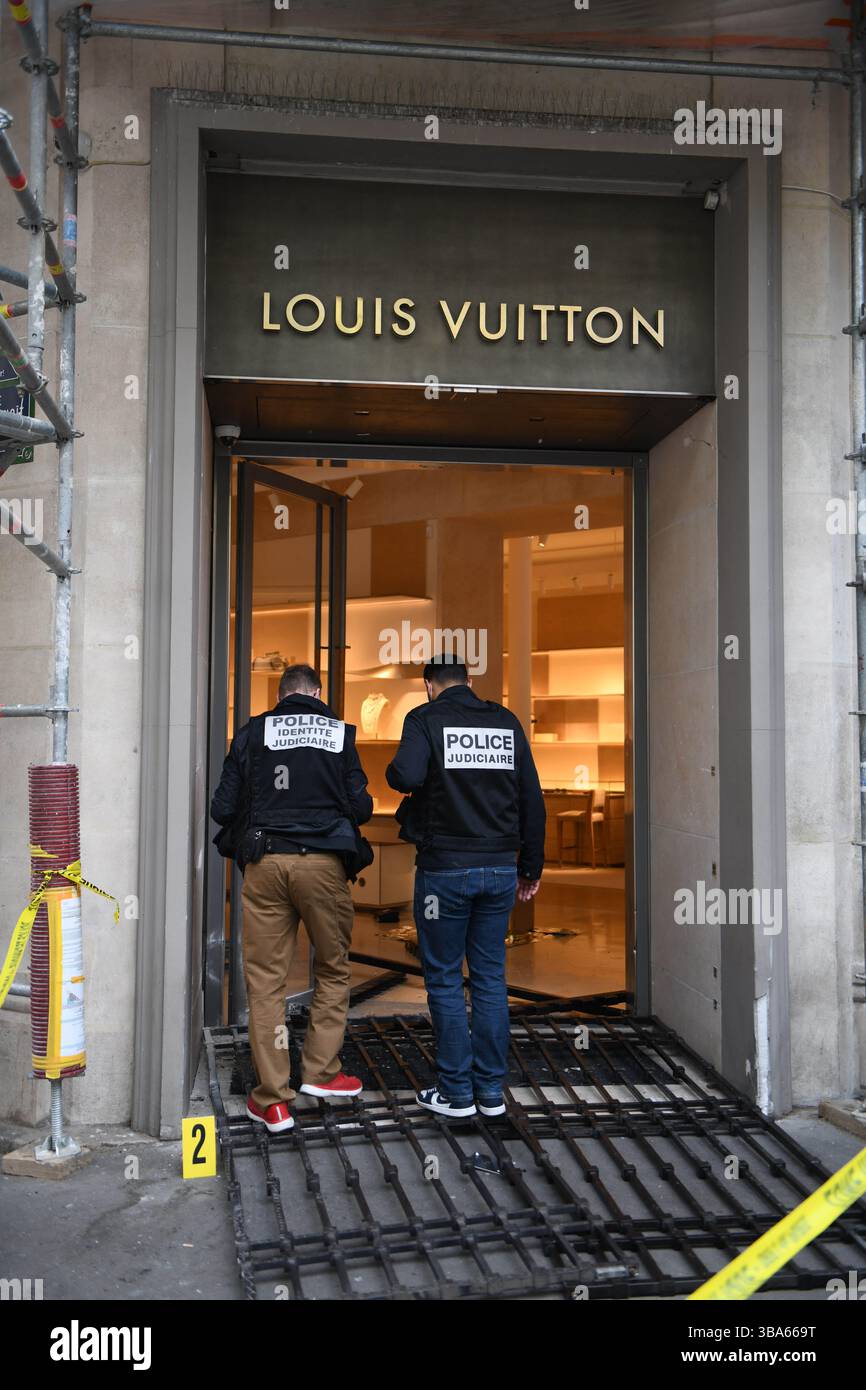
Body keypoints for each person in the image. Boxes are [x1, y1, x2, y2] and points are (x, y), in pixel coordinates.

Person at [210, 663, 373, 1134]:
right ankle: (322, 1073)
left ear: (281, 696)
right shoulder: (339, 734)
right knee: (333, 967)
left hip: (266, 863)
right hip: (323, 865)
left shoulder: (252, 733)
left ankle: (274, 1100)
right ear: (318, 693)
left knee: (265, 982)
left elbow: (222, 807)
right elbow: (361, 805)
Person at [385, 655, 545, 1119]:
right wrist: (530, 867)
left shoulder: (425, 718)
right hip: (498, 869)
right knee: (492, 979)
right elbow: (531, 797)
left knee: (445, 978)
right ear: (470, 681)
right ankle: (491, 1092)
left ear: (429, 685)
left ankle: (456, 1093)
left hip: (445, 872)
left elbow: (404, 776)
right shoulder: (505, 721)